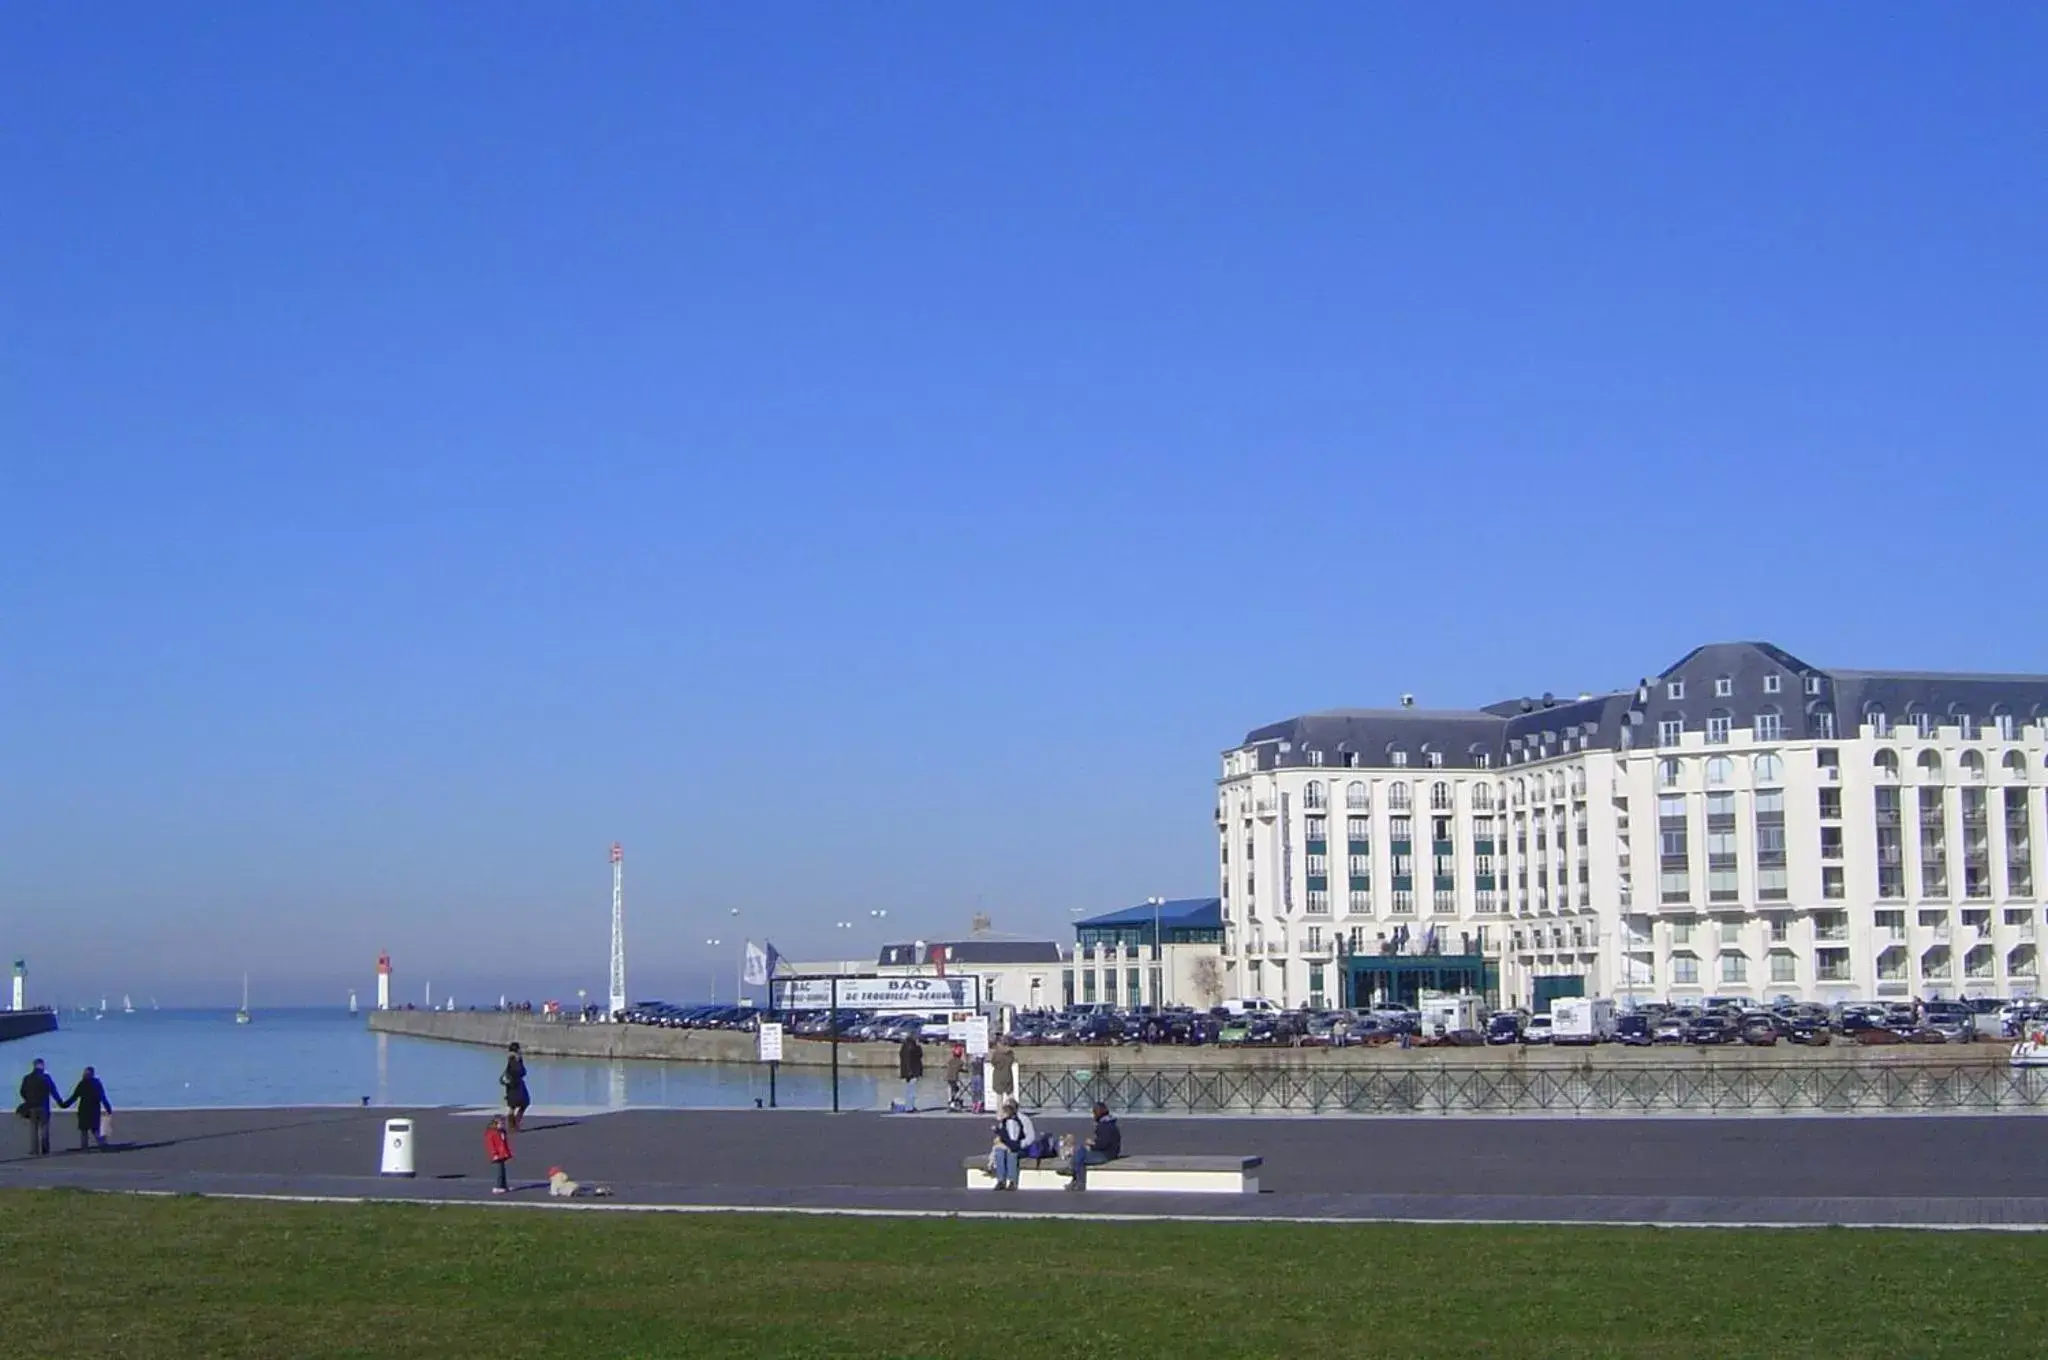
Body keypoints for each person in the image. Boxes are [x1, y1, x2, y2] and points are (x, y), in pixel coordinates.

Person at [1065, 1100, 1121, 1191]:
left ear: (1098, 1113)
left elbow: (1103, 1144)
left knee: (1080, 1156)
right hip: (1109, 1152)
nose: (1093, 1116)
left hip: (1106, 1154)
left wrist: (1092, 1143)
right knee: (1080, 1154)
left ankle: (1077, 1179)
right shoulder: (1109, 1123)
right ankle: (1075, 1179)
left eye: (1094, 1113)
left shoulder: (1105, 1126)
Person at [17, 1058, 67, 1157]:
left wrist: (28, 1099)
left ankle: (34, 1150)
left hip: (31, 1106)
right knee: (44, 1128)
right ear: (42, 1066)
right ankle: (45, 1150)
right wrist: (62, 1104)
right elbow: (54, 1092)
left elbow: (22, 1092)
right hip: (43, 1107)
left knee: (33, 1129)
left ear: (34, 1066)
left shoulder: (27, 1078)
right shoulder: (46, 1078)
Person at [68, 1066, 112, 1151]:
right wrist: (108, 1108)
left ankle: (84, 1147)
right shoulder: (96, 1083)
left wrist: (64, 1105)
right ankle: (101, 1145)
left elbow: (74, 1097)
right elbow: (103, 1097)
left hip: (83, 1110)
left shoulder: (82, 1083)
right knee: (95, 1130)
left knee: (84, 1130)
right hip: (94, 1110)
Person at [990, 1099, 1027, 1191]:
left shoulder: (1014, 1122)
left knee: (1011, 1154)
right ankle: (1001, 1180)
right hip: (1009, 1145)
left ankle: (1012, 1181)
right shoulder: (1005, 1121)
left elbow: (1013, 1140)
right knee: (999, 1152)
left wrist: (998, 1132)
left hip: (1017, 1146)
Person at [501, 1043, 530, 1132]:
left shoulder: (510, 1058)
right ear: (517, 1049)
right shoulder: (516, 1059)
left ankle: (512, 1126)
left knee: (512, 1106)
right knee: (525, 1103)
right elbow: (521, 1072)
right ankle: (515, 1125)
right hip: (517, 1086)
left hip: (510, 1086)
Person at [484, 1115, 514, 1195]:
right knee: (499, 1172)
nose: (503, 1125)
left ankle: (504, 1186)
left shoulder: (502, 1132)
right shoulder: (491, 1133)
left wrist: (508, 1153)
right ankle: (498, 1187)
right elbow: (491, 1145)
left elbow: (504, 1143)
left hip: (503, 1154)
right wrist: (494, 1154)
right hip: (497, 1155)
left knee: (503, 1171)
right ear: (495, 1124)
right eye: (501, 1123)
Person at [897, 1033, 923, 1111]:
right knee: (912, 1090)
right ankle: (910, 1107)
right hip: (913, 1071)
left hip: (906, 1071)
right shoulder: (913, 1047)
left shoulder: (904, 1046)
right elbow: (919, 1055)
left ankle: (908, 1106)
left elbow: (904, 1059)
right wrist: (919, 1046)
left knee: (908, 1090)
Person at [988, 1037, 1017, 1107]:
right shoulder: (1010, 1053)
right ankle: (1012, 1111)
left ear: (999, 1044)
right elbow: (1012, 1061)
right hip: (1008, 1075)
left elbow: (993, 1062)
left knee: (999, 1096)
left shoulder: (996, 1053)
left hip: (999, 1076)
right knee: (1010, 1095)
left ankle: (1000, 1113)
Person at [944, 1042, 966, 1111]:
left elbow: (950, 1066)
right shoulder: (960, 1062)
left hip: (948, 1077)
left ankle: (950, 1100)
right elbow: (961, 1068)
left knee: (951, 1089)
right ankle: (953, 1103)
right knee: (955, 1089)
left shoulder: (951, 1060)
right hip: (954, 1077)